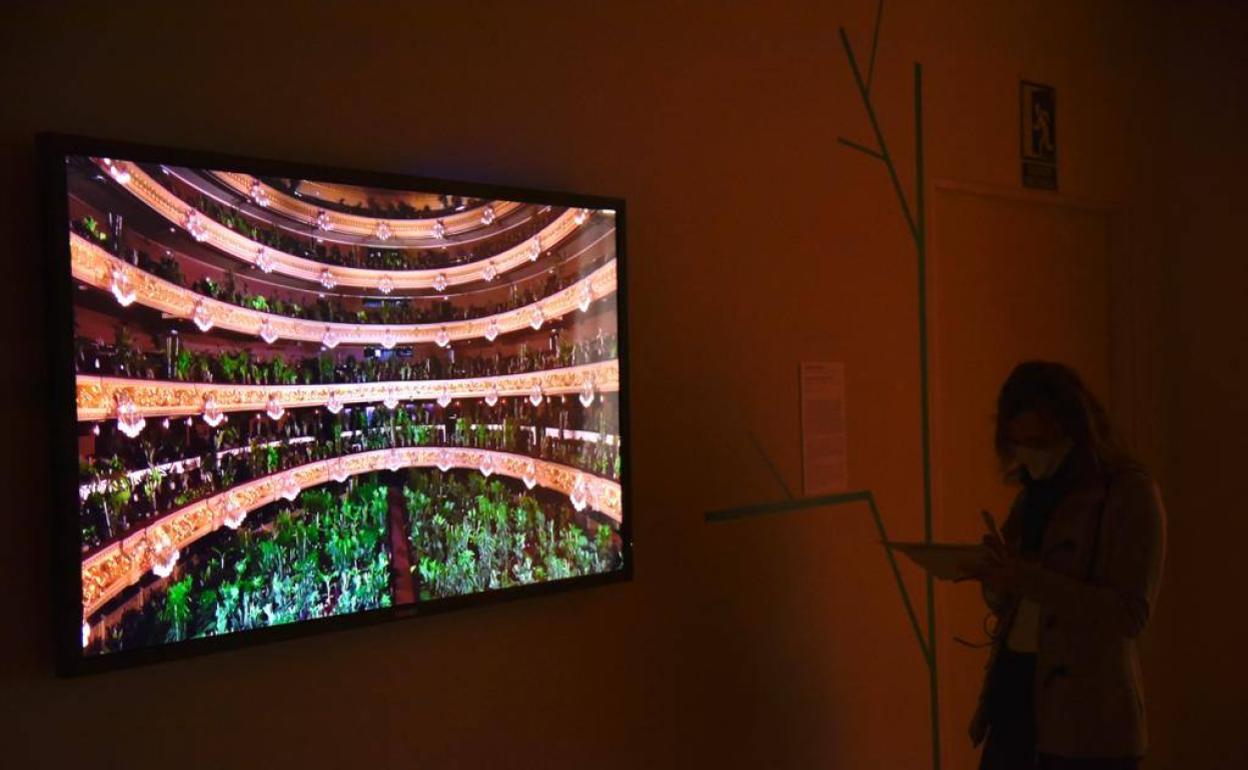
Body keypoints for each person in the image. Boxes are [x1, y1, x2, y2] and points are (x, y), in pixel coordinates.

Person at [961, 361, 1166, 770]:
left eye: (1039, 442)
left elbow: (1130, 615)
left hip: (1087, 726)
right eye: (1019, 444)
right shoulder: (1031, 495)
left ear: (1074, 429)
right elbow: (1014, 606)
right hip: (1015, 702)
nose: (1030, 456)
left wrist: (1028, 579)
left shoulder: (1128, 493)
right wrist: (996, 577)